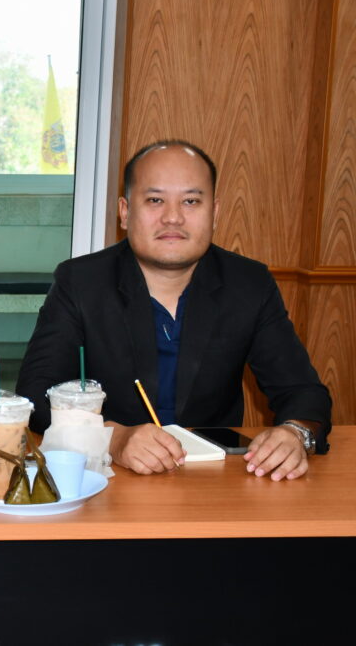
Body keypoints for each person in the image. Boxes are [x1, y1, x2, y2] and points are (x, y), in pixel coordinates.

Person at [16, 140, 331, 480]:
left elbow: (302, 391)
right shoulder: (80, 282)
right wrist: (111, 437)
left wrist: (295, 433)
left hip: (211, 480)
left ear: (215, 213)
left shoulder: (248, 284)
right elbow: (35, 395)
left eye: (191, 201)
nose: (173, 217)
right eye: (155, 200)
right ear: (125, 212)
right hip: (107, 480)